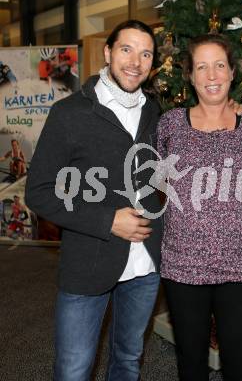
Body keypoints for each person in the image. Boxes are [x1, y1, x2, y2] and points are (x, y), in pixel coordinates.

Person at [25, 20, 163, 381]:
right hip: (87, 264)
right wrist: (108, 220)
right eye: (126, 49)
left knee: (129, 360)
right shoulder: (70, 113)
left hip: (145, 265)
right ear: (107, 53)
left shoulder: (155, 112)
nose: (135, 61)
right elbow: (39, 190)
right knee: (73, 370)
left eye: (145, 53)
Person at [157, 34, 242, 381]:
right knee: (191, 361)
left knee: (240, 363)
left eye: (220, 65)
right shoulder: (170, 123)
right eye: (202, 66)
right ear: (189, 75)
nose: (212, 74)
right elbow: (157, 180)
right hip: (183, 263)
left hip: (241, 263)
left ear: (233, 72)